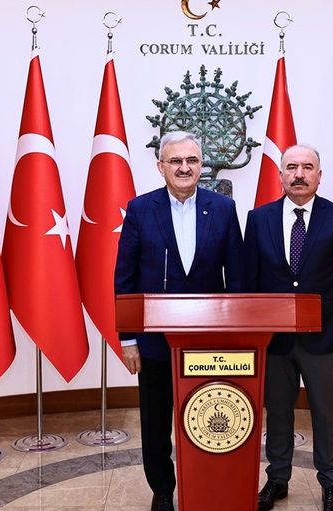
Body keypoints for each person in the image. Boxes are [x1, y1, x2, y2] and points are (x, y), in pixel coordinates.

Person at [114, 131, 244, 511]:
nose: (184, 167)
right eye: (175, 161)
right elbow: (125, 280)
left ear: (201, 166)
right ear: (161, 167)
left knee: (207, 413)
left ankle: (204, 483)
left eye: (191, 160)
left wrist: (236, 336)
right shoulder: (140, 209)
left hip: (209, 342)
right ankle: (162, 491)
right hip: (155, 342)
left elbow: (237, 278)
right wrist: (128, 340)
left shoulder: (223, 209)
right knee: (156, 424)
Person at [244, 144, 333, 511]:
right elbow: (248, 282)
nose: (299, 174)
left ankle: (331, 485)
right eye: (292, 167)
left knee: (326, 414)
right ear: (280, 175)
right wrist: (250, 336)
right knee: (278, 412)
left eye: (307, 167)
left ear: (319, 175)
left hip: (323, 340)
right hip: (274, 341)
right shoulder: (258, 219)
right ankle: (277, 479)